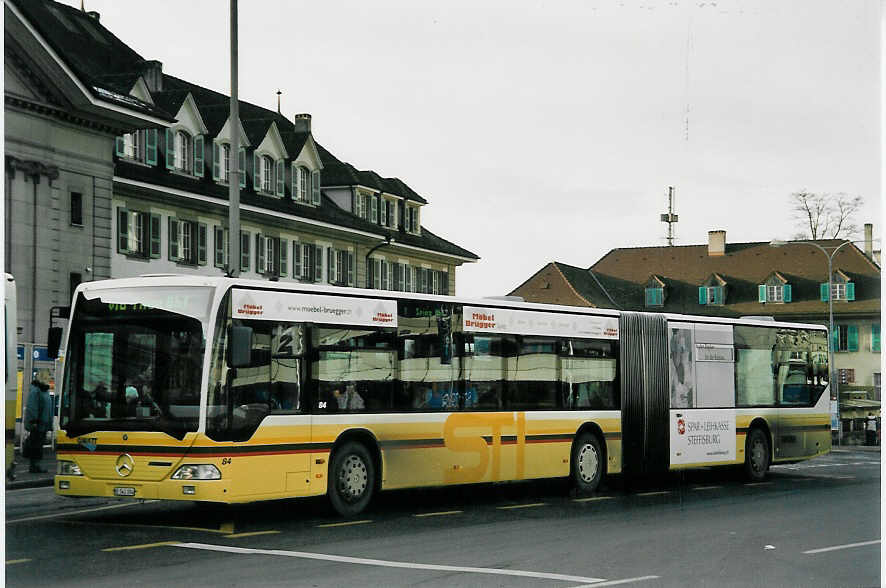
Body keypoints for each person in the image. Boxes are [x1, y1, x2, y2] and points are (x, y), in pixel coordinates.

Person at [24, 369, 52, 473]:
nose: (50, 378)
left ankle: (36, 465)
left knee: (39, 444)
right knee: (36, 444)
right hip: (37, 423)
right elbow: (32, 406)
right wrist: (33, 421)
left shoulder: (44, 390)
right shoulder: (36, 390)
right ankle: (34, 465)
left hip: (43, 423)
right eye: (48, 376)